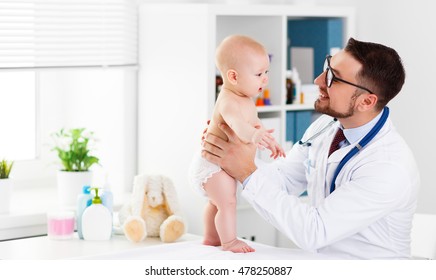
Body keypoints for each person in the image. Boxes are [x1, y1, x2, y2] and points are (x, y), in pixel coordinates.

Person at [201, 37, 420, 259]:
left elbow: (314, 231)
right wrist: (229, 152)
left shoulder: (388, 167)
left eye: (334, 78)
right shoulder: (327, 126)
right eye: (327, 67)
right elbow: (284, 180)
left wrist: (244, 169)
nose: (318, 80)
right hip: (322, 264)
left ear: (366, 102)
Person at [189, 35, 285, 253]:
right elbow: (238, 125)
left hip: (219, 163)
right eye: (259, 74)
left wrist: (269, 141)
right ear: (233, 76)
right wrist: (253, 136)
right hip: (211, 165)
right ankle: (229, 241)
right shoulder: (228, 101)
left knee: (217, 203)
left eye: (266, 73)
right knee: (228, 203)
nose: (265, 79)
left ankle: (210, 239)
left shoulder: (244, 98)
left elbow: (254, 124)